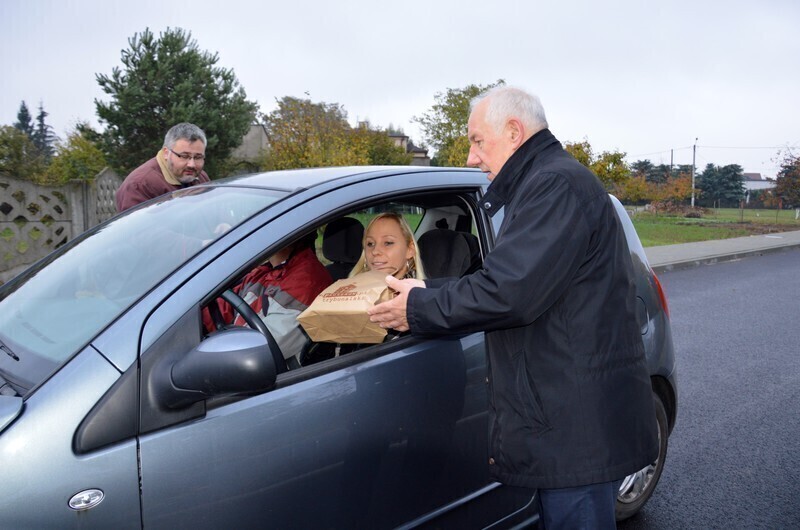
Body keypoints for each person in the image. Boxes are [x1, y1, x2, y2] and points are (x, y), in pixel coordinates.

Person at [367, 86, 658, 529]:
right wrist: (424, 287)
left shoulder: (554, 187)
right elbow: (513, 279)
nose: (471, 156)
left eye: (477, 141)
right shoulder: (545, 182)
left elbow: (507, 291)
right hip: (567, 418)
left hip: (575, 429)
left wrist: (420, 304)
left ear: (514, 131)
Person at [204, 234, 332, 365]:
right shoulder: (266, 271)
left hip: (273, 375)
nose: (252, 240)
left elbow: (263, 347)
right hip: (241, 356)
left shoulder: (307, 279)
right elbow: (224, 309)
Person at [116, 122, 211, 212]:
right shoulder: (139, 185)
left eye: (198, 157)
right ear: (166, 153)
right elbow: (138, 228)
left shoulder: (202, 177)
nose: (192, 164)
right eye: (184, 156)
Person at [349, 212, 426, 280]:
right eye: (370, 244)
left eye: (388, 243)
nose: (375, 251)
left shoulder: (423, 295)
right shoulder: (347, 292)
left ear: (410, 250)